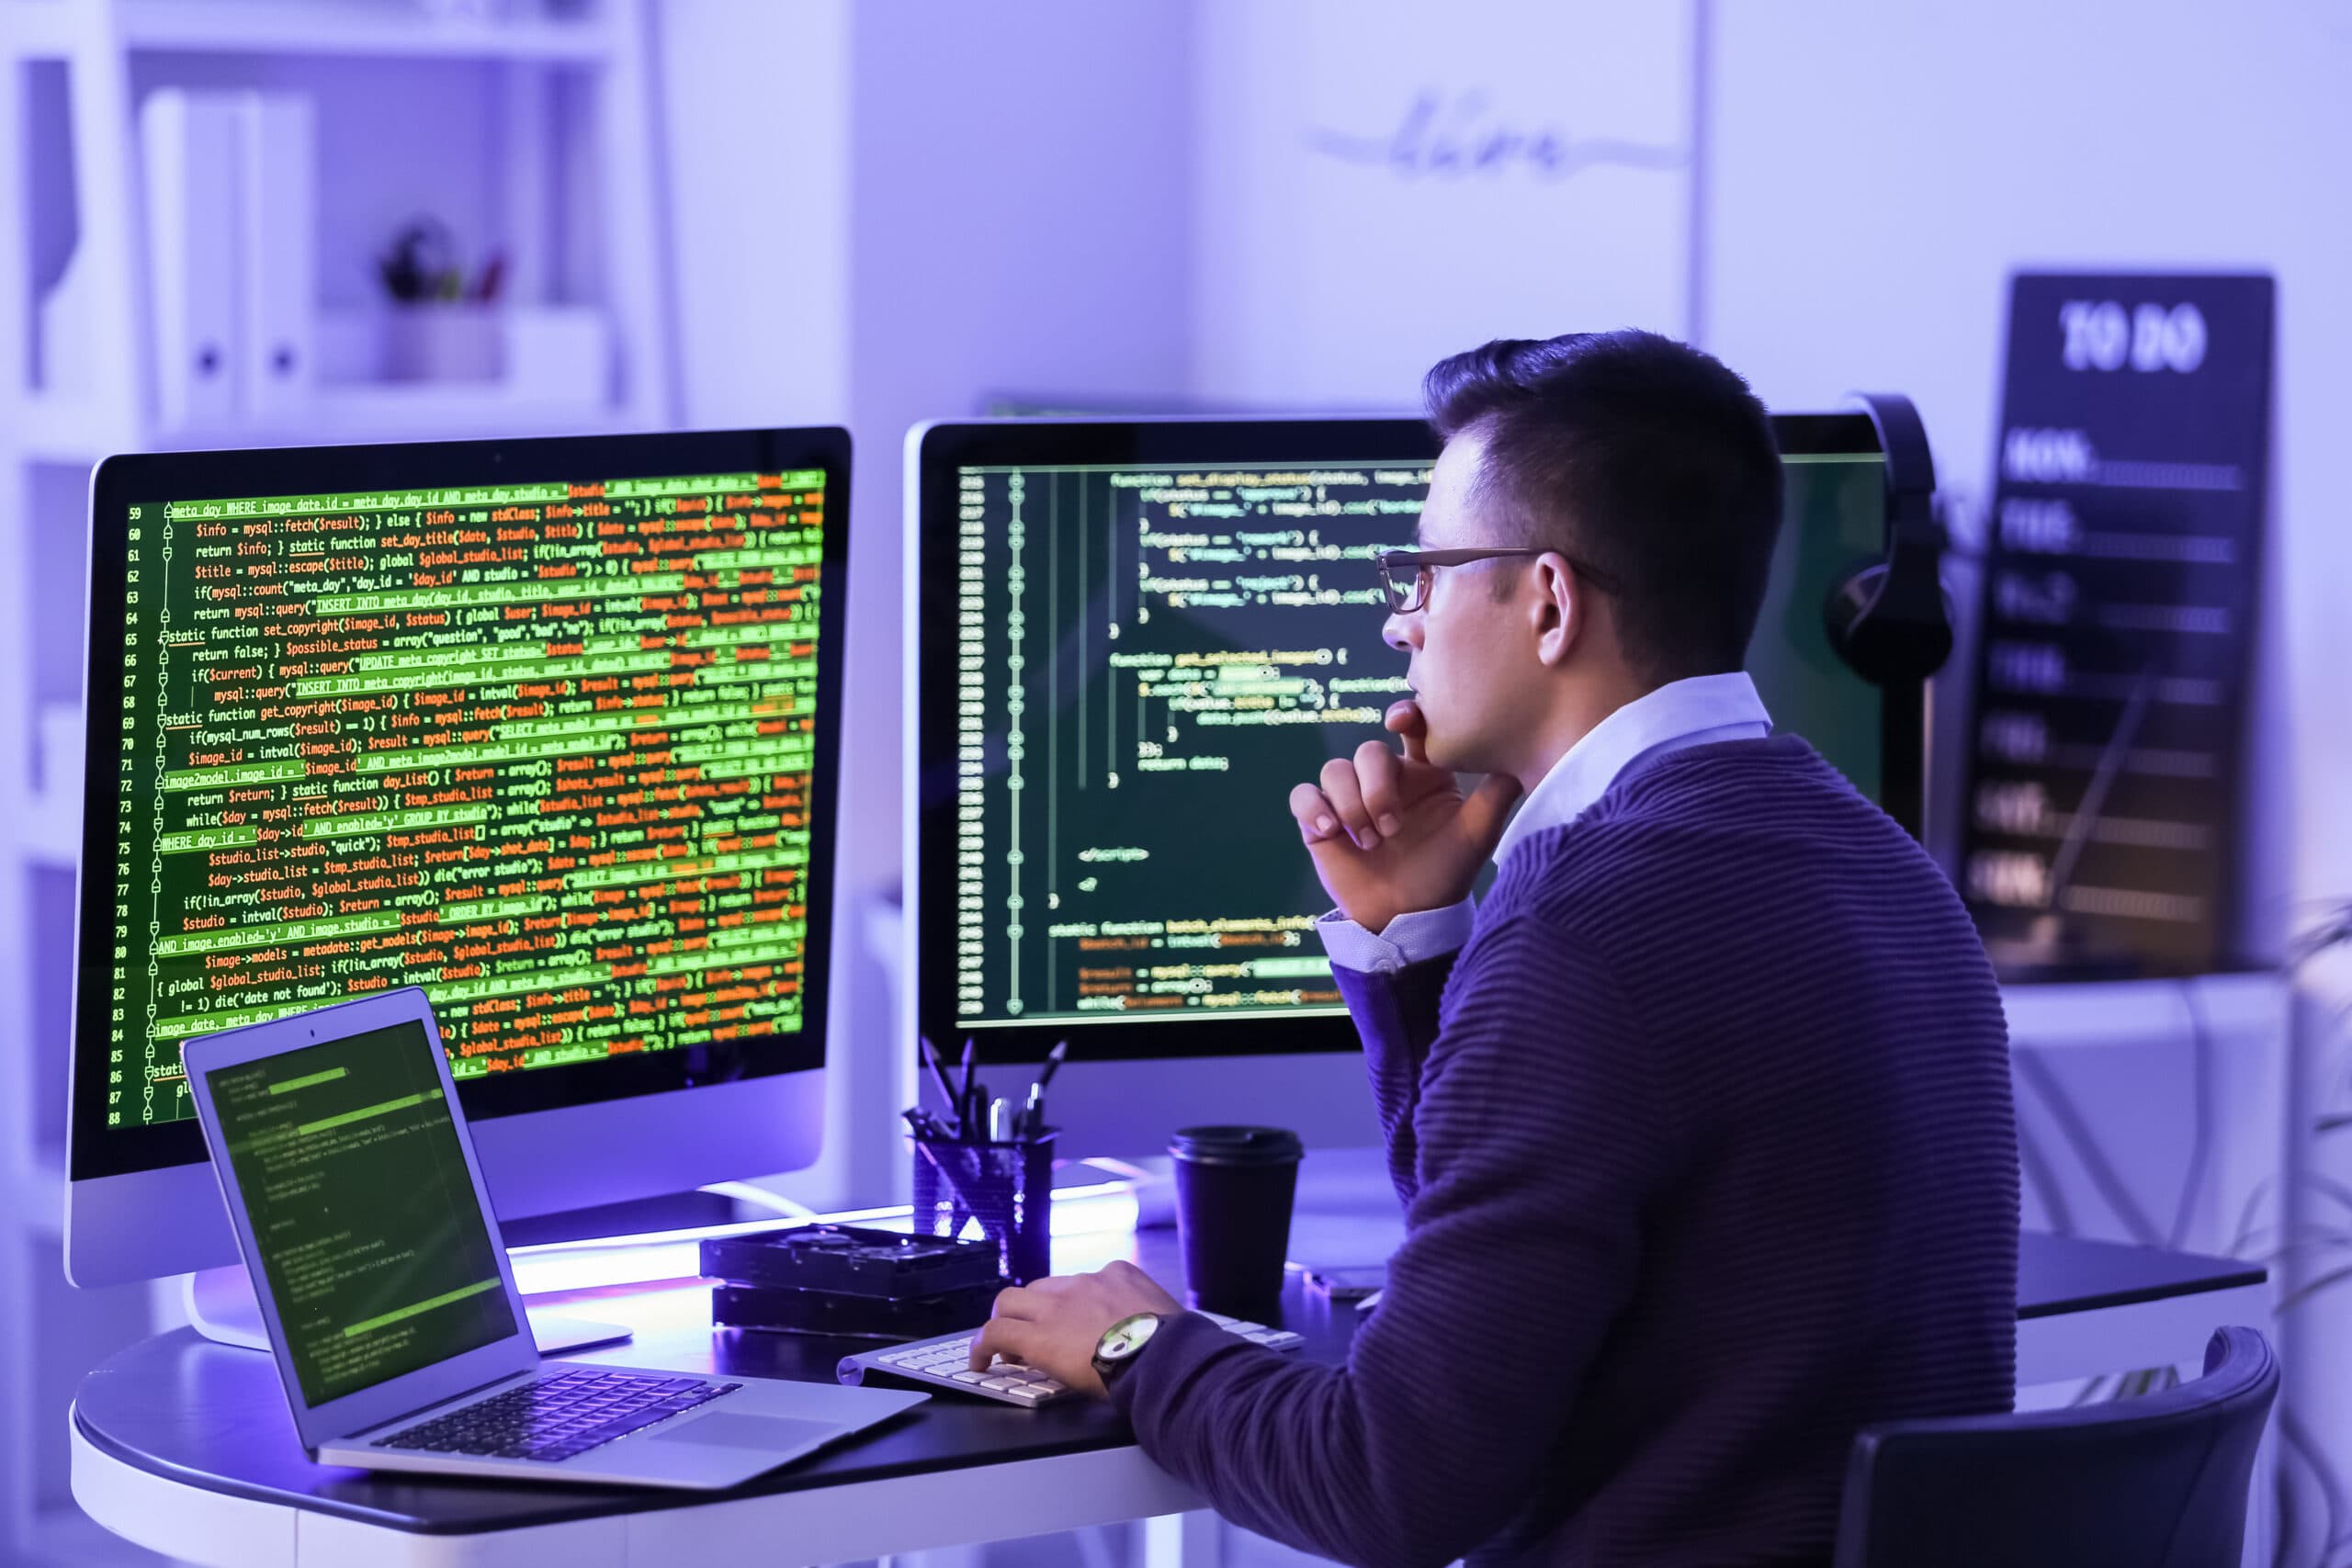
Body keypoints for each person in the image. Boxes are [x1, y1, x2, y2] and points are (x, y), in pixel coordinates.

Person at [969, 331, 2018, 1568]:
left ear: (1551, 600)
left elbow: (1388, 1489)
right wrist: (1413, 948)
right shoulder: (1886, 867)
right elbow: (1504, 1289)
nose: (1402, 626)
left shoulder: (1585, 931)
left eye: (1428, 573)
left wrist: (1134, 1342)